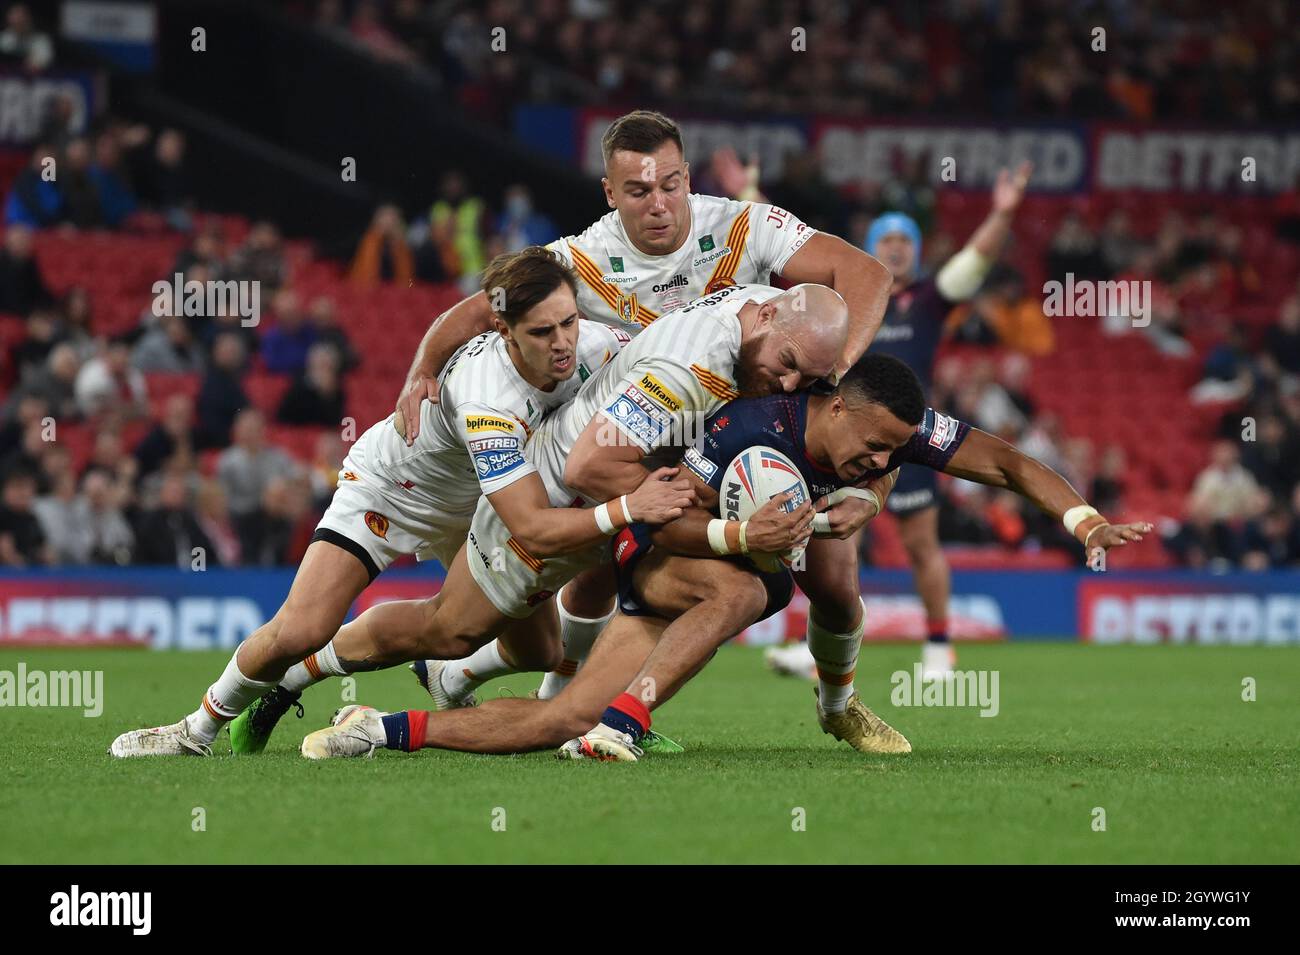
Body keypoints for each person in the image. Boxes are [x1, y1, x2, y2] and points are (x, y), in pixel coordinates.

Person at [298, 355, 1152, 761]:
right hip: (652, 546)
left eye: (900, 454)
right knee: (750, 592)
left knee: (566, 719)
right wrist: (742, 538)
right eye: (876, 449)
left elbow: (1003, 460)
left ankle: (378, 728)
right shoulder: (743, 424)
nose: (885, 463)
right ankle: (628, 717)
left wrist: (1080, 519)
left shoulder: (886, 428)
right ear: (833, 405)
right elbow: (665, 524)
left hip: (726, 557)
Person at [108, 247, 693, 757]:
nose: (562, 343)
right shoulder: (487, 394)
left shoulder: (594, 344)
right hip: (396, 490)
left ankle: (441, 674)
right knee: (303, 628)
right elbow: (532, 529)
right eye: (542, 333)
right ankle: (201, 725)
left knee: (539, 648)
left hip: (485, 496)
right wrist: (626, 509)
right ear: (503, 330)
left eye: (568, 322)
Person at [394, 109, 891, 703]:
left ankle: (838, 706)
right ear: (610, 193)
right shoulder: (584, 257)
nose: (659, 203)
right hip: (650, 436)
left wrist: (831, 374)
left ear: (687, 177)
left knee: (834, 577)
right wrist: (423, 367)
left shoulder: (744, 226)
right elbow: (488, 305)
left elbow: (866, 275)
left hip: (757, 433)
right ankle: (555, 701)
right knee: (598, 578)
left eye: (670, 184)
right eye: (638, 190)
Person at [238, 279, 844, 755]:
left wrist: (863, 491)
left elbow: (856, 317)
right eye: (789, 364)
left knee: (541, 648)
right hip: (556, 505)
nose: (789, 384)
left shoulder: (771, 315)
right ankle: (298, 676)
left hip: (606, 510)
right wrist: (708, 515)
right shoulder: (687, 368)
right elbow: (588, 467)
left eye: (808, 378)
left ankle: (584, 709)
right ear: (766, 317)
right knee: (449, 629)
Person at [769, 162, 1032, 683]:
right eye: (884, 240)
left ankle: (938, 647)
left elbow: (974, 261)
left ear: (916, 250)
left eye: (904, 240)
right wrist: (748, 194)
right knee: (835, 540)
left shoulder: (928, 300)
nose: (895, 248)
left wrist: (1002, 213)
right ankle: (815, 643)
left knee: (919, 545)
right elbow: (769, 252)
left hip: (905, 443)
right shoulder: (843, 301)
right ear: (868, 248)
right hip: (843, 436)